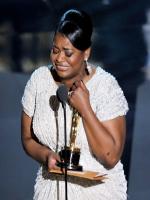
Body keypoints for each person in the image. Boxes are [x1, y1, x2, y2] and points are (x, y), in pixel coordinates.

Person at [21, 9, 129, 200]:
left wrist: (85, 108)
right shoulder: (39, 80)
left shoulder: (106, 87)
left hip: (98, 192)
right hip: (51, 191)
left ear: (86, 52)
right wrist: (46, 155)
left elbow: (110, 157)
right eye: (55, 50)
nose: (59, 59)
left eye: (68, 53)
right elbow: (28, 139)